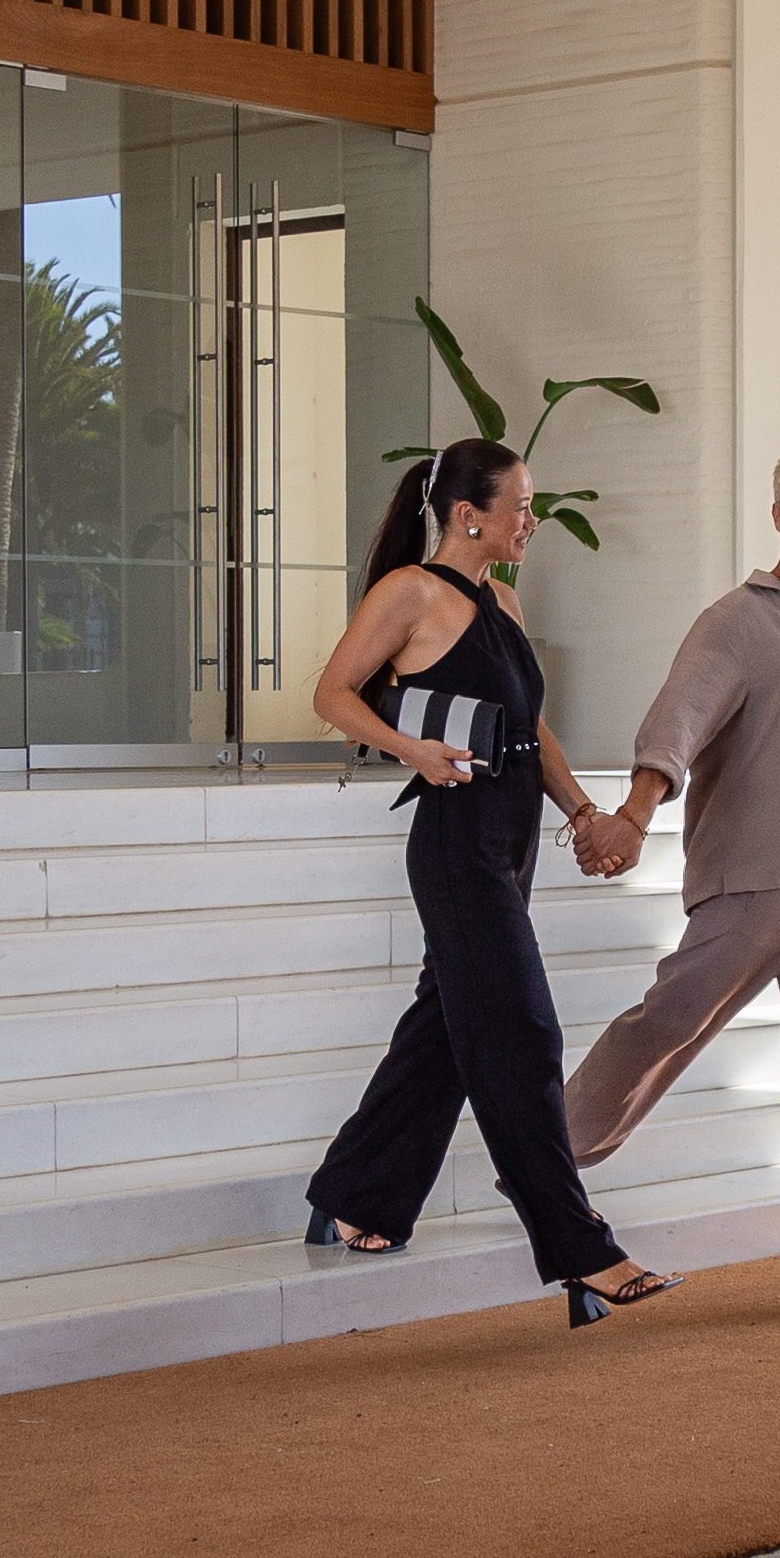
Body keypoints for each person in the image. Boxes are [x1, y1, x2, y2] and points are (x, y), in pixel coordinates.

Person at [302, 440, 675, 1321]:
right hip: (455, 840)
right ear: (469, 514)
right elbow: (333, 693)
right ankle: (581, 1249)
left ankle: (354, 1194)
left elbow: (529, 729)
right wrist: (412, 750)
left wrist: (584, 814)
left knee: (445, 1029)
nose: (531, 521)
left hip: (510, 839)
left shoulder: (501, 601)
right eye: (522, 505)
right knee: (521, 1030)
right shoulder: (410, 593)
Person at [564, 441, 780, 1293]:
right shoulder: (737, 622)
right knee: (663, 1028)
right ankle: (542, 1158)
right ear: (776, 513)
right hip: (757, 879)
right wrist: (633, 816)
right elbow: (675, 723)